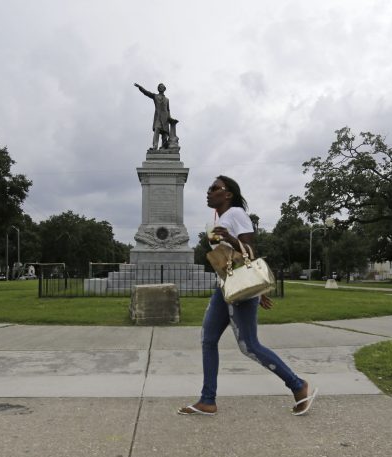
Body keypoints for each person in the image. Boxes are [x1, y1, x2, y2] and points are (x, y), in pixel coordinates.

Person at [178, 175, 317, 416]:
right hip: (225, 286)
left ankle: (298, 385)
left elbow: (251, 251)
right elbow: (230, 260)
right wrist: (257, 289)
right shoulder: (218, 219)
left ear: (228, 194)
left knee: (249, 345)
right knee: (208, 339)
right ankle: (207, 400)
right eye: (209, 189)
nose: (208, 192)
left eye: (214, 188)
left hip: (237, 291)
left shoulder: (237, 214)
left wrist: (232, 240)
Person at [133, 82, 178, 150]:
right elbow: (147, 93)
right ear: (158, 89)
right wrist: (140, 87)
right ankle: (155, 146)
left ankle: (163, 146)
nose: (161, 88)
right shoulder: (155, 96)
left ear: (164, 89)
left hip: (165, 119)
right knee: (157, 130)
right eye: (159, 87)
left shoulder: (167, 99)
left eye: (162, 87)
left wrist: (170, 118)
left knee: (164, 134)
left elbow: (168, 110)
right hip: (158, 117)